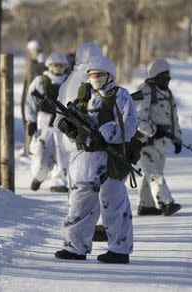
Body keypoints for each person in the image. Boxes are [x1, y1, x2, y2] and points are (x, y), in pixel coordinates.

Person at [54, 56, 137, 264]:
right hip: (85, 161)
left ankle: (119, 249)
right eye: (91, 75)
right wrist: (70, 128)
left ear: (109, 76)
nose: (95, 78)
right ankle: (75, 247)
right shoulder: (84, 97)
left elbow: (130, 125)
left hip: (111, 160)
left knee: (114, 206)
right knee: (80, 206)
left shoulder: (121, 96)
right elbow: (76, 127)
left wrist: (107, 134)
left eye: (99, 75)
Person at [133, 59, 182, 216]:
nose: (167, 79)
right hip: (146, 142)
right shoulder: (146, 92)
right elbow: (140, 120)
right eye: (163, 76)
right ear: (154, 76)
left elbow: (174, 119)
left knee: (153, 172)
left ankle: (146, 205)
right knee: (155, 173)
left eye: (168, 76)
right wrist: (154, 131)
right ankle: (166, 202)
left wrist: (177, 138)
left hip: (162, 143)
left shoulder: (168, 94)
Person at [25, 52, 69, 192]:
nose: (58, 68)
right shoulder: (41, 81)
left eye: (61, 66)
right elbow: (30, 102)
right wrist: (30, 121)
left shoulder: (68, 81)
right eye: (55, 65)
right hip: (44, 122)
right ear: (49, 66)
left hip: (62, 122)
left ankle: (59, 182)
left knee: (62, 154)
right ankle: (38, 177)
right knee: (41, 154)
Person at [21, 40, 46, 156]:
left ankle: (31, 149)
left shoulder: (39, 64)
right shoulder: (31, 63)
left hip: (36, 100)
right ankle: (29, 148)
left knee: (33, 124)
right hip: (30, 97)